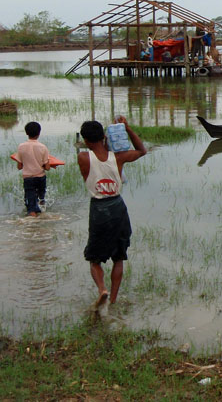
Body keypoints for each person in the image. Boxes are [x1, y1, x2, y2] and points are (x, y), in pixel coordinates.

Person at [77, 116, 146, 309]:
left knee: (94, 259)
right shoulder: (118, 157)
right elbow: (142, 150)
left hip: (98, 208)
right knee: (118, 257)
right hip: (118, 207)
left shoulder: (83, 158)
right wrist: (127, 128)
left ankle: (102, 290)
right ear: (104, 136)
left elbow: (96, 156)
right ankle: (113, 300)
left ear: (86, 141)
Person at [15, 121, 50, 217]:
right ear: (39, 133)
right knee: (41, 200)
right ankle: (42, 218)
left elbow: (19, 166)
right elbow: (47, 167)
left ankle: (32, 226)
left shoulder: (21, 147)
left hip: (28, 178)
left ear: (26, 133)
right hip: (40, 177)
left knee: (30, 206)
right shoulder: (43, 147)